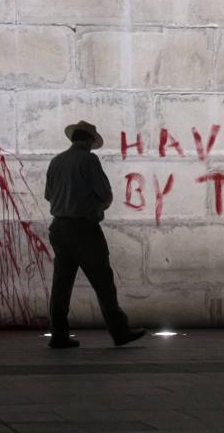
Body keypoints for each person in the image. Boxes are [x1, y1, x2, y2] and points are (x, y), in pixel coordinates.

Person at [44, 120, 146, 348]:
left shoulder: (56, 161)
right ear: (89, 140)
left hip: (59, 228)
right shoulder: (89, 160)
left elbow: (48, 195)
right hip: (84, 229)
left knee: (61, 284)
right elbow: (105, 193)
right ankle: (120, 331)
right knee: (103, 282)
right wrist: (96, 206)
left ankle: (59, 335)